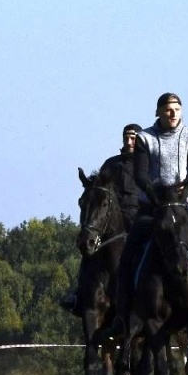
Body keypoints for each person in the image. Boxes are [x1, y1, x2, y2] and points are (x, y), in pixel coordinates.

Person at [118, 93, 188, 326]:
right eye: (168, 109)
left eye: (177, 109)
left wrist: (187, 189)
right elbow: (140, 174)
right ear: (158, 112)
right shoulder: (145, 138)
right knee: (128, 253)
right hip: (152, 206)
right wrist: (153, 194)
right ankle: (123, 313)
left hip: (181, 205)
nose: (173, 113)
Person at [64, 124, 142, 316]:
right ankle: (79, 293)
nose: (128, 142)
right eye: (126, 138)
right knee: (90, 245)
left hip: (140, 215)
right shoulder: (111, 164)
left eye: (133, 138)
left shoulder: (148, 164)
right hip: (112, 217)